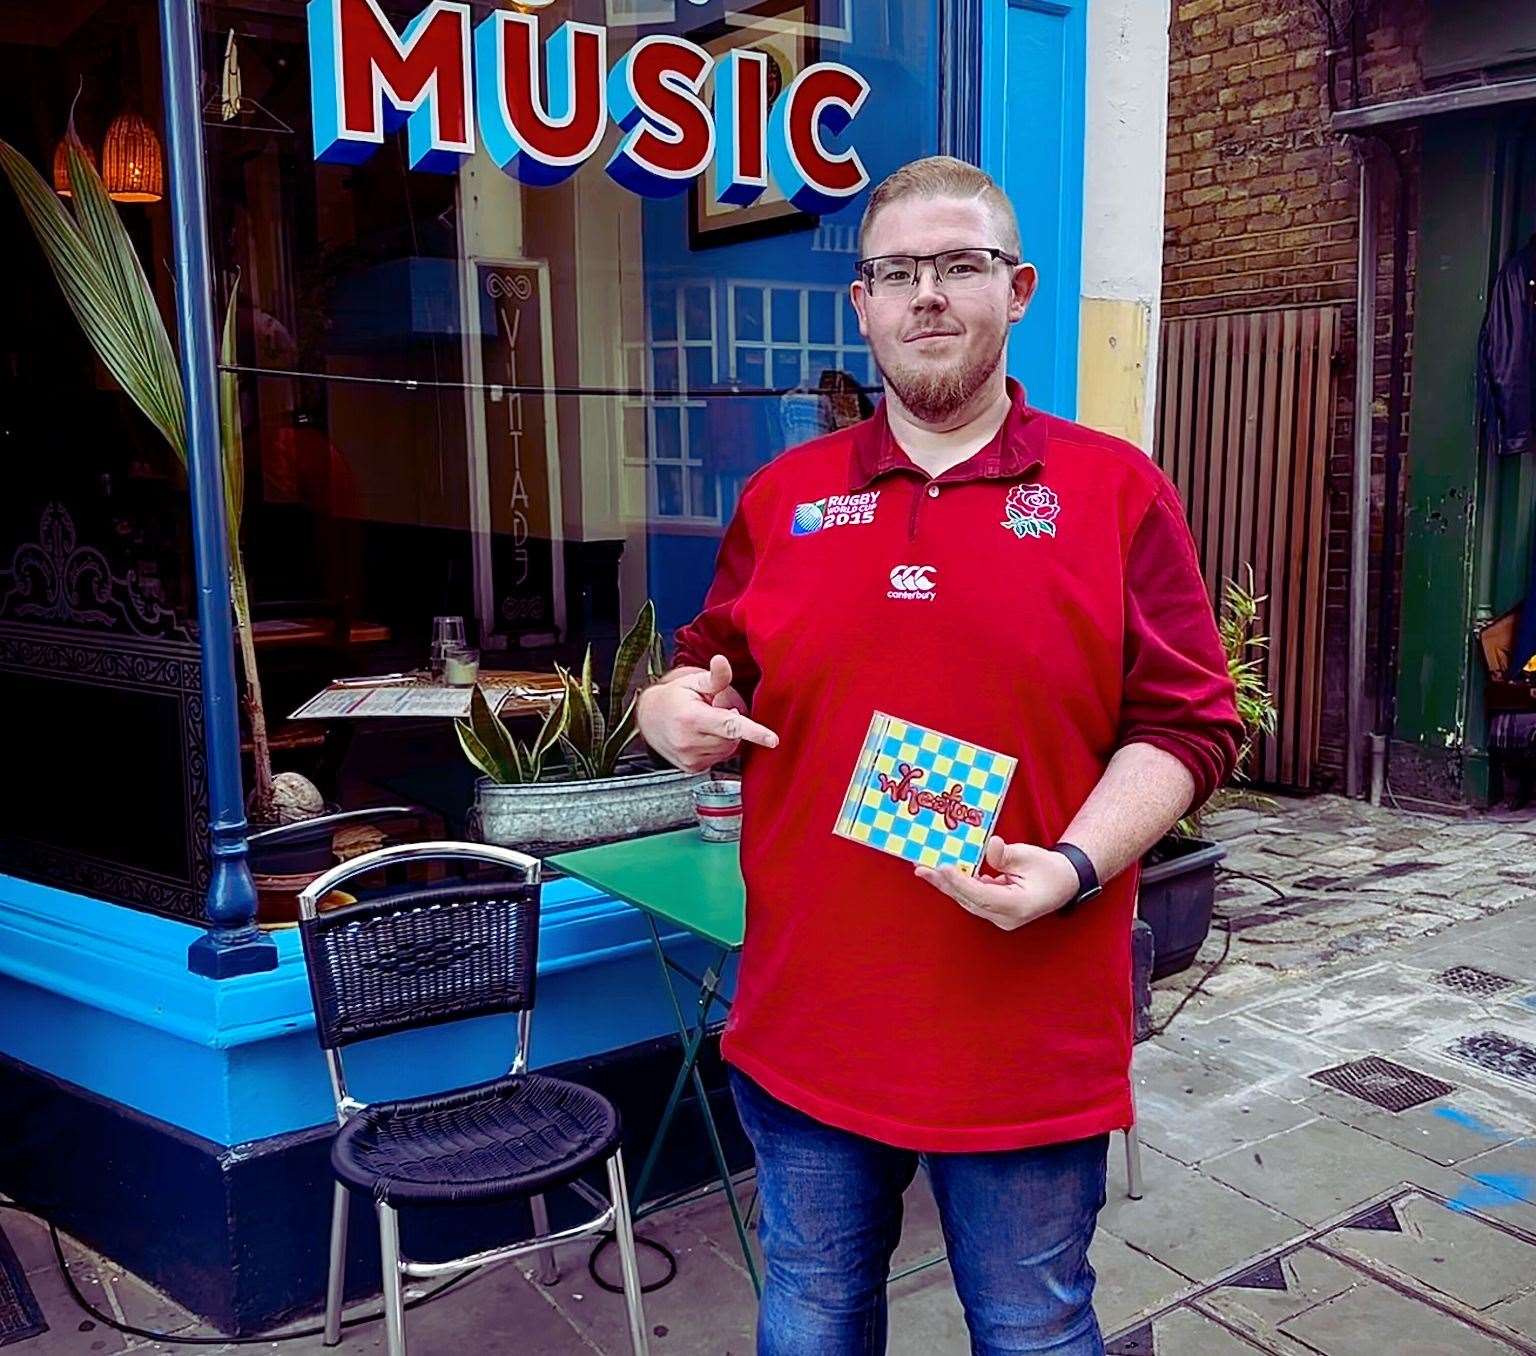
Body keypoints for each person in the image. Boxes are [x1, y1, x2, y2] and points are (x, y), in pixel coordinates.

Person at [635, 156, 1243, 1356]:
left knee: (1030, 1328)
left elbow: (1189, 723)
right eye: (896, 271)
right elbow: (708, 667)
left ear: (1015, 290)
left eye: (959, 265)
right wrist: (667, 713)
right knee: (811, 1314)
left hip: (1024, 1031)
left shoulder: (1114, 493)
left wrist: (1071, 865)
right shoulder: (784, 498)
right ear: (860, 303)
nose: (927, 294)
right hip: (811, 1019)